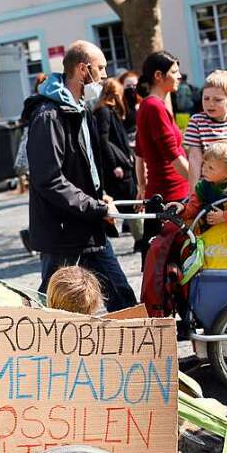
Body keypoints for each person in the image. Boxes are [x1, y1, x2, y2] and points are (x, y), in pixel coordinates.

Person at [24, 40, 136, 312]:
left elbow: (85, 166)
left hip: (88, 227)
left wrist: (100, 194)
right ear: (83, 70)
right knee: (52, 309)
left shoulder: (81, 109)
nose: (106, 76)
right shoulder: (48, 116)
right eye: (101, 68)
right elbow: (49, 180)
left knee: (122, 298)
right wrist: (97, 207)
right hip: (63, 232)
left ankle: (139, 352)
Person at [134, 51, 190, 259]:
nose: (179, 76)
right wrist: (200, 184)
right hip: (171, 194)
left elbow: (139, 154)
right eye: (174, 72)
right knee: (173, 263)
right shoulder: (154, 107)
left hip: (160, 193)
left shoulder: (147, 106)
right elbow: (173, 156)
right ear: (159, 75)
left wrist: (142, 187)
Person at [177, 141, 227, 228]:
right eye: (204, 163)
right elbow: (192, 210)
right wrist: (182, 208)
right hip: (214, 235)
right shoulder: (202, 187)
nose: (204, 169)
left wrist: (224, 216)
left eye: (211, 168)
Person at [92, 78, 136, 201]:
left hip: (120, 163)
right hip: (117, 167)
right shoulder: (104, 111)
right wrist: (114, 165)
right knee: (127, 206)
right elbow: (103, 140)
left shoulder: (108, 110)